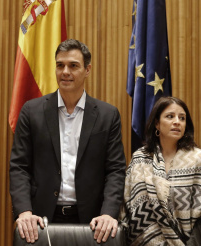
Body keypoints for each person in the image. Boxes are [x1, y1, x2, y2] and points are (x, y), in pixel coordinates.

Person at [9, 39, 126, 244]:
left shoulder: (108, 115)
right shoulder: (31, 111)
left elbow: (115, 169)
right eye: (60, 65)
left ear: (87, 70)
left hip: (93, 220)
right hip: (41, 218)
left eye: (73, 66)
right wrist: (24, 211)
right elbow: (19, 167)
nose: (65, 72)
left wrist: (109, 213)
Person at [122, 96, 201, 245]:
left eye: (182, 118)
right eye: (170, 116)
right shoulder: (140, 159)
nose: (177, 122)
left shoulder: (198, 159)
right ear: (157, 123)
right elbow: (129, 206)